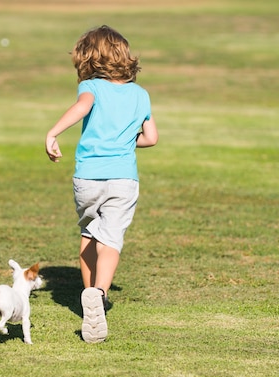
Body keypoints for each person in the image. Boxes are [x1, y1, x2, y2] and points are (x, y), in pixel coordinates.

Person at [45, 25, 158, 343]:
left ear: (87, 59)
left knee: (89, 233)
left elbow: (83, 108)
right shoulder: (140, 94)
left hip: (88, 177)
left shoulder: (91, 86)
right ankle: (99, 293)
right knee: (111, 238)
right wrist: (123, 142)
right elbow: (151, 138)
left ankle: (88, 295)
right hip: (122, 178)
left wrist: (53, 132)